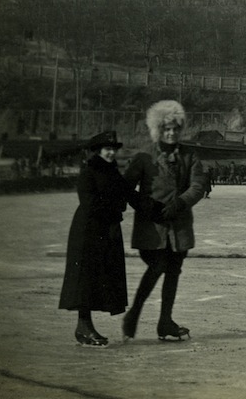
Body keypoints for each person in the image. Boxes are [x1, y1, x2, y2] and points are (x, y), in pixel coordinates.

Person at [59, 131, 161, 347]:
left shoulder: (113, 171)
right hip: (88, 230)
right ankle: (83, 326)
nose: (111, 152)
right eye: (107, 148)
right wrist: (114, 212)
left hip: (106, 230)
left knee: (99, 276)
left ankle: (84, 327)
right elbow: (89, 203)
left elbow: (130, 195)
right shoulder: (89, 171)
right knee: (86, 277)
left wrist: (158, 210)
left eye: (114, 149)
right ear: (98, 150)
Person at [122, 100, 209, 342]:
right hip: (151, 227)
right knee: (158, 264)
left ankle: (165, 322)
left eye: (175, 129)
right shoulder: (143, 157)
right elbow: (126, 187)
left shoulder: (189, 156)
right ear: (157, 130)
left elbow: (198, 186)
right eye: (166, 129)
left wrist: (180, 203)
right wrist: (144, 204)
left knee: (174, 270)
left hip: (179, 227)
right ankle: (134, 313)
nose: (171, 134)